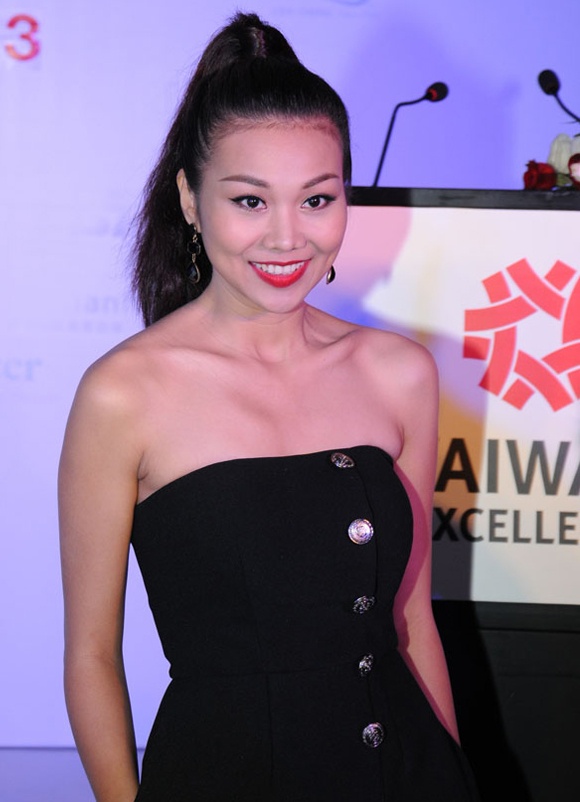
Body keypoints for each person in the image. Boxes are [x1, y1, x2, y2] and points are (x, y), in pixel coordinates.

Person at [58, 11, 481, 802]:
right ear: (190, 200)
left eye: (317, 199)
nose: (288, 238)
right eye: (250, 202)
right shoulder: (123, 393)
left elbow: (412, 623)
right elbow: (90, 656)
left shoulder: (400, 373)